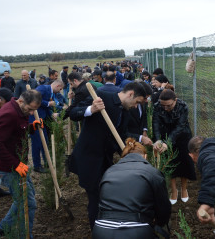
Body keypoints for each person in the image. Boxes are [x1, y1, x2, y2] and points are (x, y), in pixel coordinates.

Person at [69, 82, 147, 230]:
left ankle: (105, 226)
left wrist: (131, 156)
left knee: (106, 195)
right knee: (95, 199)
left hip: (105, 161)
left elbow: (120, 137)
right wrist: (91, 109)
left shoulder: (125, 111)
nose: (136, 107)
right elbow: (72, 112)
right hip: (88, 160)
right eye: (137, 102)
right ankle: (97, 231)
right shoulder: (101, 97)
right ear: (131, 94)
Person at [92, 138, 171, 239]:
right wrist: (157, 223)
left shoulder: (108, 172)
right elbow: (163, 209)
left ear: (122, 158)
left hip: (101, 230)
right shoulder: (152, 173)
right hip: (136, 231)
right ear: (145, 156)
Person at [0, 90, 42, 238]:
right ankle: (24, 235)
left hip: (18, 165)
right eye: (30, 109)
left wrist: (32, 127)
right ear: (20, 101)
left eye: (34, 110)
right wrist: (16, 164)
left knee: (22, 200)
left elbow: (16, 132)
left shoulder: (20, 111)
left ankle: (3, 228)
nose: (31, 113)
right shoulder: (9, 114)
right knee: (27, 204)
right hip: (9, 168)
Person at [152, 89, 196, 205]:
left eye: (169, 105)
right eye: (163, 105)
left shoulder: (183, 106)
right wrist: (158, 140)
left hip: (182, 136)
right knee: (169, 162)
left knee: (184, 163)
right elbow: (155, 124)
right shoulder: (157, 106)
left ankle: (184, 188)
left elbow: (180, 127)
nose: (165, 108)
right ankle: (174, 190)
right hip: (164, 135)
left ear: (175, 100)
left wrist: (168, 143)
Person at [29, 80, 64, 173]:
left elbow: (47, 108)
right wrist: (48, 103)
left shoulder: (51, 92)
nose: (60, 91)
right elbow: (33, 98)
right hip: (34, 120)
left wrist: (52, 116)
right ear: (57, 85)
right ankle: (37, 165)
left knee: (44, 141)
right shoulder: (43, 88)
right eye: (60, 89)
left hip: (42, 120)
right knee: (37, 143)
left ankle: (47, 162)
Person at [126, 81, 153, 146]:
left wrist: (144, 130)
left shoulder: (142, 103)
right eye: (145, 98)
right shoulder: (128, 106)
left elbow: (144, 117)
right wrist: (140, 138)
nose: (147, 100)